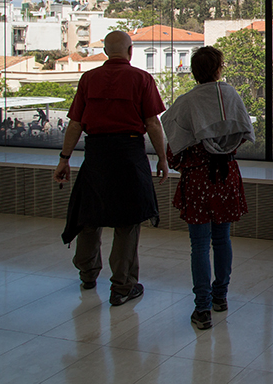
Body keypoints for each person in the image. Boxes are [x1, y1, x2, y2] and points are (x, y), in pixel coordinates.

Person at [54, 30, 168, 306]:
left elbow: (75, 123)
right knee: (127, 220)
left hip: (96, 154)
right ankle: (122, 286)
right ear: (130, 52)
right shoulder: (141, 78)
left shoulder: (89, 79)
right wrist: (162, 158)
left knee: (90, 214)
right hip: (129, 154)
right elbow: (152, 123)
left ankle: (88, 273)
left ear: (106, 52)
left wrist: (64, 158)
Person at [160, 46, 254, 331]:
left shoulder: (186, 102)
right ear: (219, 68)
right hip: (225, 176)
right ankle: (220, 297)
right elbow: (244, 132)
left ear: (193, 71)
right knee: (222, 239)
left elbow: (174, 146)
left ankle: (202, 309)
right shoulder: (232, 95)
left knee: (199, 244)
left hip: (199, 179)